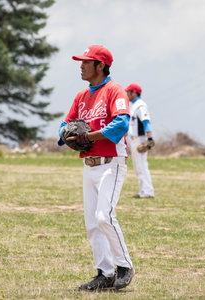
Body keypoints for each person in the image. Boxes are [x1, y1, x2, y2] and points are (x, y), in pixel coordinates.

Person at [58, 45, 134, 291]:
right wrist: (64, 133)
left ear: (100, 65)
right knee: (92, 222)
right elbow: (66, 122)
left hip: (111, 163)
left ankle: (124, 266)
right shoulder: (81, 96)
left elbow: (121, 123)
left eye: (86, 62)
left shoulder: (115, 91)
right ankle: (105, 273)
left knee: (104, 216)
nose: (81, 66)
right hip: (88, 165)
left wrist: (90, 136)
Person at [125, 83, 155, 198]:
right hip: (134, 139)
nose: (126, 94)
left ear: (133, 93)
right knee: (138, 166)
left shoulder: (140, 105)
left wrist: (150, 138)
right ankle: (143, 191)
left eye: (128, 92)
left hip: (140, 139)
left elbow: (146, 121)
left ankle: (147, 191)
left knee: (142, 165)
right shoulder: (134, 105)